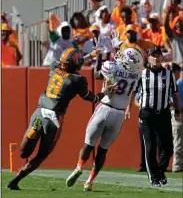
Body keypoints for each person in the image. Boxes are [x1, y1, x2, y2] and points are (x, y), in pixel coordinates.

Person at [7, 47, 113, 190]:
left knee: (23, 153)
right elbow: (91, 98)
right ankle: (16, 180)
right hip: (54, 117)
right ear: (73, 64)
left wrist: (90, 55)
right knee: (42, 154)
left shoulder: (54, 67)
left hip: (39, 111)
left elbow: (72, 62)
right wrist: (105, 92)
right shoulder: (77, 79)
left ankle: (34, 130)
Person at [66, 47, 144, 191]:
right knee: (103, 150)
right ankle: (89, 181)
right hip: (119, 114)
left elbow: (96, 75)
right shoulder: (138, 74)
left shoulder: (111, 66)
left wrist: (100, 58)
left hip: (105, 108)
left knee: (88, 144)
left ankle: (79, 167)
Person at [126, 46, 181, 187]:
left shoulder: (169, 75)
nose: (156, 58)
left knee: (168, 147)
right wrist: (128, 109)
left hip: (163, 113)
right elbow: (132, 92)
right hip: (147, 114)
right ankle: (154, 178)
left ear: (162, 57)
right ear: (148, 58)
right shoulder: (141, 74)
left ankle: (160, 171)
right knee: (150, 147)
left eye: (158, 55)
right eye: (153, 55)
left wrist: (177, 111)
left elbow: (174, 94)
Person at [171, 63, 183, 172]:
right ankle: (177, 166)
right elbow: (171, 101)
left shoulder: (178, 83)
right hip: (178, 114)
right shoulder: (177, 84)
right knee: (178, 141)